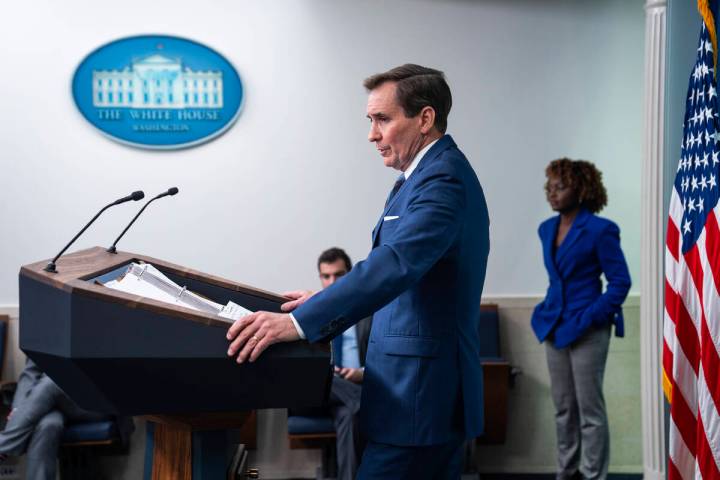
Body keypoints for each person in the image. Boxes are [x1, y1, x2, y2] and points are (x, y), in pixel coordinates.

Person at [226, 64, 490, 479]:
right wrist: (325, 298)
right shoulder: (418, 178)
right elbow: (405, 276)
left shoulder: (443, 180)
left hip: (420, 397)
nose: (372, 134)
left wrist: (298, 322)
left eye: (383, 119)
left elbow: (396, 264)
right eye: (370, 120)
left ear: (425, 118)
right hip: (410, 395)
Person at [531, 158, 631, 480]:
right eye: (549, 186)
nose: (552, 192)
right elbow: (557, 280)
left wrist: (591, 316)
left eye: (560, 186)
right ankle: (567, 471)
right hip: (554, 327)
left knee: (590, 412)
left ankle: (592, 475)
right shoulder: (546, 229)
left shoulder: (601, 230)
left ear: (581, 189)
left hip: (588, 329)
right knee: (563, 409)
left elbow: (620, 282)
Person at [0, 360, 133, 480]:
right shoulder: (46, 332)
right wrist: (19, 409)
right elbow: (31, 371)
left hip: (96, 402)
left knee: (51, 382)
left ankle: (4, 447)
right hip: (50, 402)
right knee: (48, 424)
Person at [314, 247, 371, 480]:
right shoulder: (313, 310)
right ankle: (360, 399)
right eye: (326, 276)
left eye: (339, 275)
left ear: (350, 274)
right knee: (351, 398)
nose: (332, 281)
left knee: (350, 414)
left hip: (354, 387)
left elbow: (383, 357)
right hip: (322, 388)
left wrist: (362, 374)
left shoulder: (367, 309)